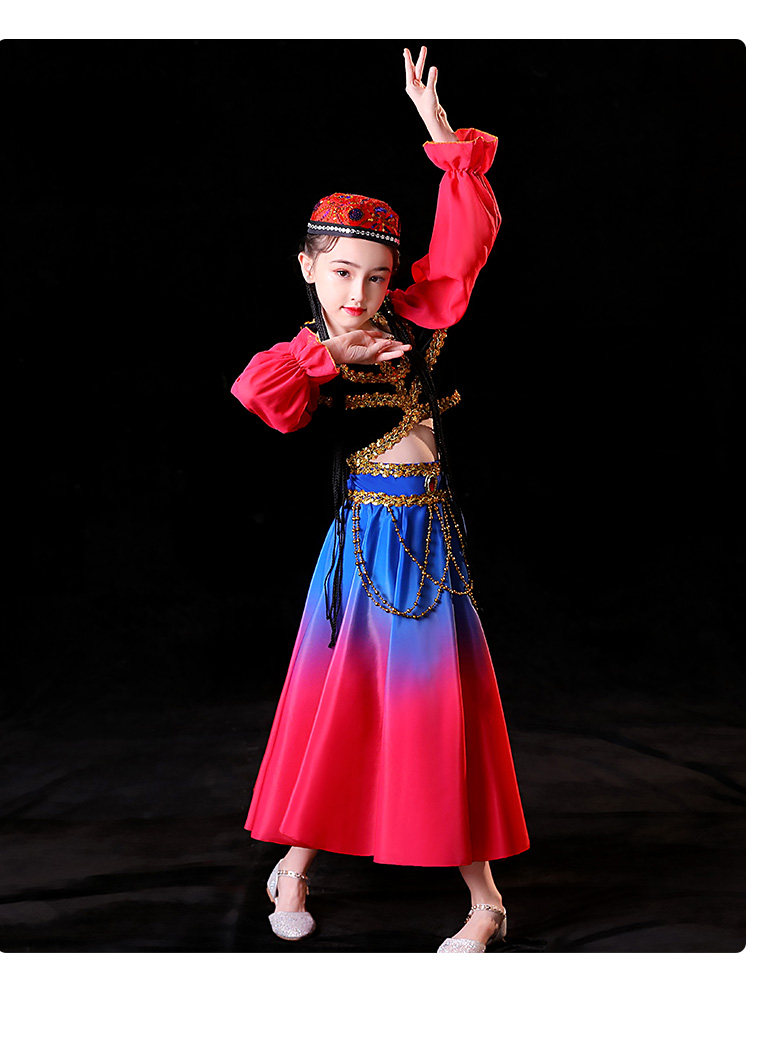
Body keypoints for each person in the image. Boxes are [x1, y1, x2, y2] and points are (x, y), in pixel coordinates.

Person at [230, 45, 530, 952]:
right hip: (362, 546)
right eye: (340, 273)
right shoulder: (305, 351)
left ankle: (485, 900)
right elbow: (261, 396)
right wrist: (328, 355)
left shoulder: (418, 311)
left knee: (442, 710)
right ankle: (294, 864)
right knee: (343, 706)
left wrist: (446, 143)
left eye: (373, 273)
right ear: (307, 268)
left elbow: (467, 248)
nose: (359, 292)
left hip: (428, 543)